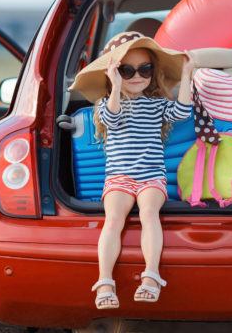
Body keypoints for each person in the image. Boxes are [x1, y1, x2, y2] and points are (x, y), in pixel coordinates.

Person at [68, 31, 195, 309]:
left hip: (151, 176)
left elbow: (183, 112)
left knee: (150, 213)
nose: (137, 76)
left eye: (145, 69)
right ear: (114, 73)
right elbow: (111, 119)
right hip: (119, 178)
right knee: (113, 219)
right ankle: (104, 281)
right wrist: (115, 86)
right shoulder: (105, 104)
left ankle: (151, 276)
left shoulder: (156, 105)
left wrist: (186, 76)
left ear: (153, 71)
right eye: (127, 70)